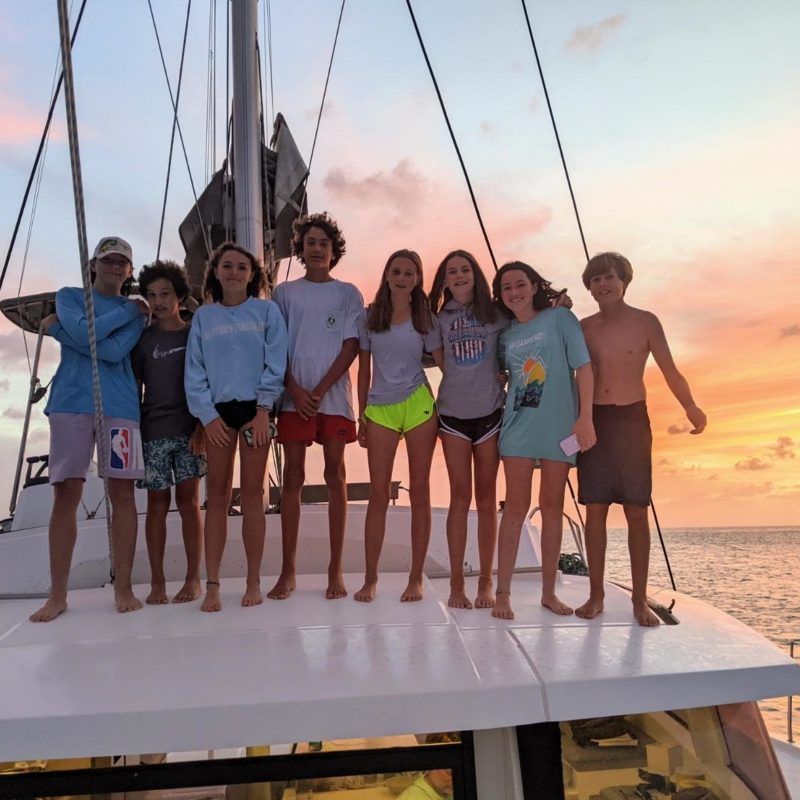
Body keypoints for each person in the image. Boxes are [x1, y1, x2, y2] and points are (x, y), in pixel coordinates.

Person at [575, 252, 706, 627]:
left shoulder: (646, 322)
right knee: (595, 509)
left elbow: (670, 370)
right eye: (597, 279)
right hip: (595, 420)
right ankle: (596, 594)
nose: (604, 284)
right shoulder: (583, 327)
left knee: (636, 510)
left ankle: (637, 600)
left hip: (633, 420)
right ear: (589, 286)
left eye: (611, 277)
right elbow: (572, 378)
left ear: (625, 281)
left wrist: (691, 406)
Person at [30, 236, 149, 622]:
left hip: (120, 408)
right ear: (94, 264)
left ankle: (124, 588)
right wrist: (86, 326)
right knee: (66, 492)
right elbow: (89, 339)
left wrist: (60, 331)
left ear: (129, 271)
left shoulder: (140, 312)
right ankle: (58, 594)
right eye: (108, 261)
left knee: (123, 493)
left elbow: (111, 352)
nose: (115, 267)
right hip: (70, 403)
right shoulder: (69, 296)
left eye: (121, 263)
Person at [185, 243, 287, 612]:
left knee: (253, 496)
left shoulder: (266, 311)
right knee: (217, 496)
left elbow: (276, 362)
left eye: (241, 267)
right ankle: (212, 584)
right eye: (226, 266)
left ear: (252, 273)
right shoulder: (204, 318)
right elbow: (194, 370)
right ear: (215, 272)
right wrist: (206, 416)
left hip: (254, 410)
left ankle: (253, 580)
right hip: (217, 413)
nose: (233, 272)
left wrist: (264, 410)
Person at [491, 261, 596, 621]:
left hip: (560, 430)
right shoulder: (504, 336)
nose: (515, 292)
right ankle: (501, 594)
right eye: (507, 288)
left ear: (534, 286)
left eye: (521, 284)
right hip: (518, 429)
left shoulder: (560, 319)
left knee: (552, 509)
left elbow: (583, 367)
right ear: (500, 296)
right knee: (515, 511)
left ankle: (548, 593)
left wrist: (585, 418)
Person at [269, 212, 363, 600]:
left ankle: (335, 570)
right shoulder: (284, 293)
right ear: (301, 249)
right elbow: (275, 345)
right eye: (311, 242)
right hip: (294, 397)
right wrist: (294, 387)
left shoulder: (348, 293)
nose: (318, 248)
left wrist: (321, 389)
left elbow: (351, 345)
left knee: (335, 475)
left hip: (334, 397)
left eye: (324, 242)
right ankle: (287, 571)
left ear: (333, 249)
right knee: (292, 477)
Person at [354, 249, 443, 603]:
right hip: (380, 409)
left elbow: (443, 363)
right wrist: (361, 414)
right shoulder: (370, 316)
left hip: (419, 404)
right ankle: (371, 579)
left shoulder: (426, 318)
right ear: (387, 275)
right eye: (396, 271)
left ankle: (416, 577)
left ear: (418, 278)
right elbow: (363, 369)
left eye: (409, 273)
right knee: (378, 494)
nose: (402, 278)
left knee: (420, 490)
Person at [428, 250, 508, 609]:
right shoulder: (438, 318)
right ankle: (457, 584)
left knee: (487, 499)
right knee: (459, 498)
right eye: (451, 272)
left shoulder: (496, 314)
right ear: (444, 280)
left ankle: (486, 583)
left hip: (490, 413)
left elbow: (524, 327)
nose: (459, 275)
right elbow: (444, 364)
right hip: (453, 416)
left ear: (475, 274)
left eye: (464, 269)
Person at [132, 260, 206, 605]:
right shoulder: (143, 340)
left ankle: (193, 580)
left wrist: (202, 427)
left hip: (189, 430)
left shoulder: (195, 334)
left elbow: (208, 382)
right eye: (151, 295)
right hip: (153, 432)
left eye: (165, 294)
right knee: (157, 505)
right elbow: (135, 388)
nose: (159, 301)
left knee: (189, 503)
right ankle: (158, 582)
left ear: (179, 296)